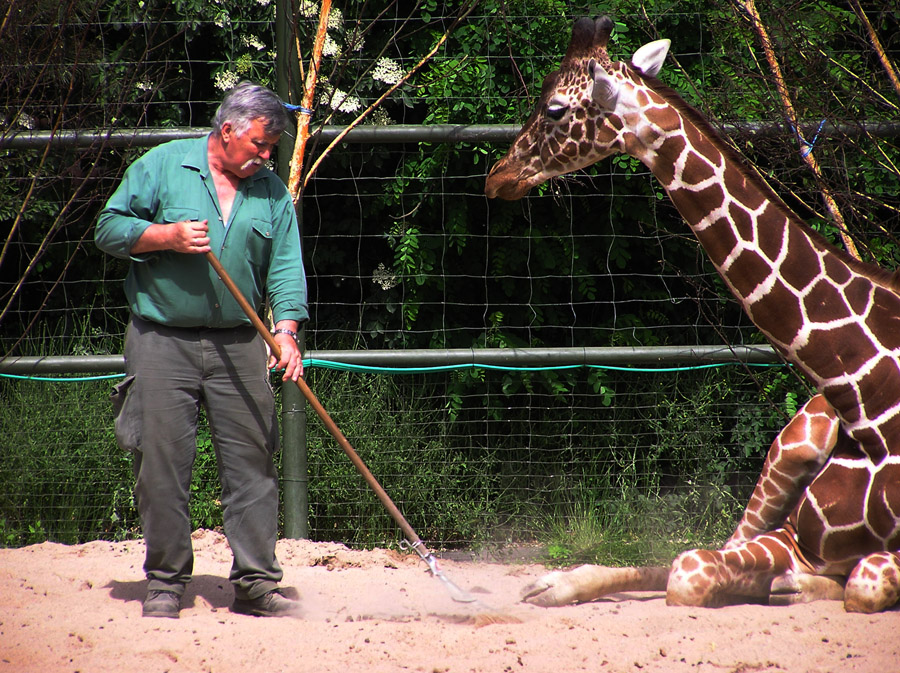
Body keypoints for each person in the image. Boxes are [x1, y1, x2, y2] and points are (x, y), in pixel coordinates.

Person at [95, 81, 307, 618]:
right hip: (161, 338)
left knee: (253, 464)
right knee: (162, 466)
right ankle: (166, 582)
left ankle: (257, 582)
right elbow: (108, 228)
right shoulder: (162, 166)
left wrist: (285, 332)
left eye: (271, 149)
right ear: (228, 130)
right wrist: (164, 237)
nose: (265, 157)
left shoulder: (272, 193)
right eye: (259, 145)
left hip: (241, 341)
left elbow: (284, 268)